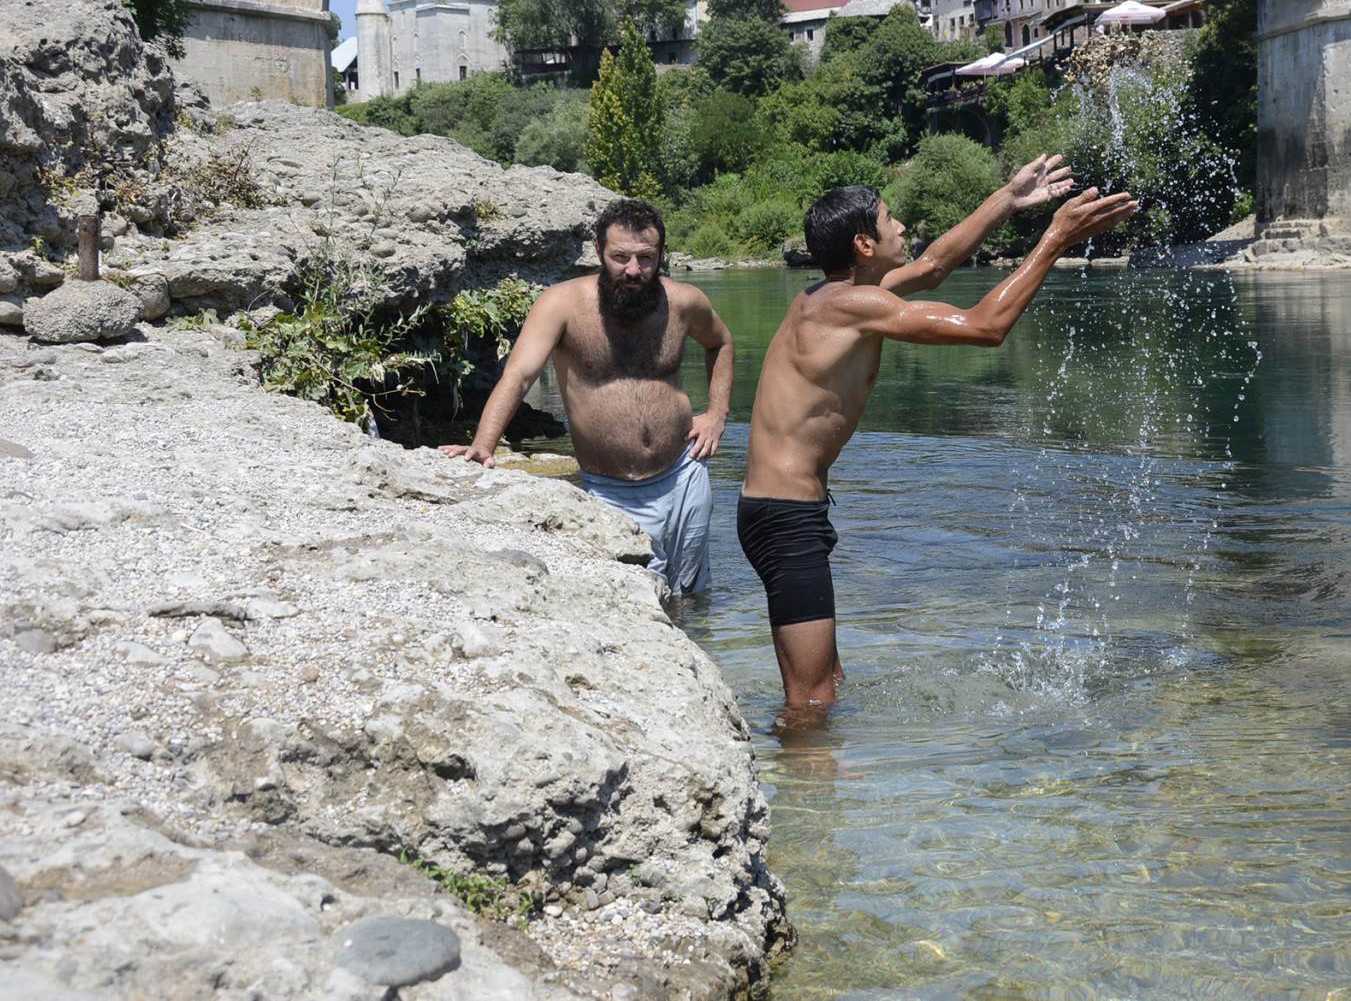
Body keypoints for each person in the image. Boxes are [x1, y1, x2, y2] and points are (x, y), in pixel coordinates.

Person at [739, 155, 1137, 714]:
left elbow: (931, 268)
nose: (901, 226)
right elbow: (985, 327)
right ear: (864, 245)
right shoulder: (851, 306)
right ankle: (802, 784)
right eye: (889, 218)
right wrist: (1055, 240)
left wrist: (1009, 198)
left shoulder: (833, 297)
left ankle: (819, 793)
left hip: (786, 513)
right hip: (784, 519)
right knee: (813, 700)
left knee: (828, 684)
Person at [443, 197, 732, 596]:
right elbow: (520, 374)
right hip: (610, 490)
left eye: (646, 258)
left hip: (685, 474)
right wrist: (483, 444)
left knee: (692, 598)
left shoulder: (684, 302)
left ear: (661, 254)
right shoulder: (561, 304)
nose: (633, 270)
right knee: (635, 602)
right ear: (598, 251)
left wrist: (716, 414)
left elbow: (721, 343)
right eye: (620, 257)